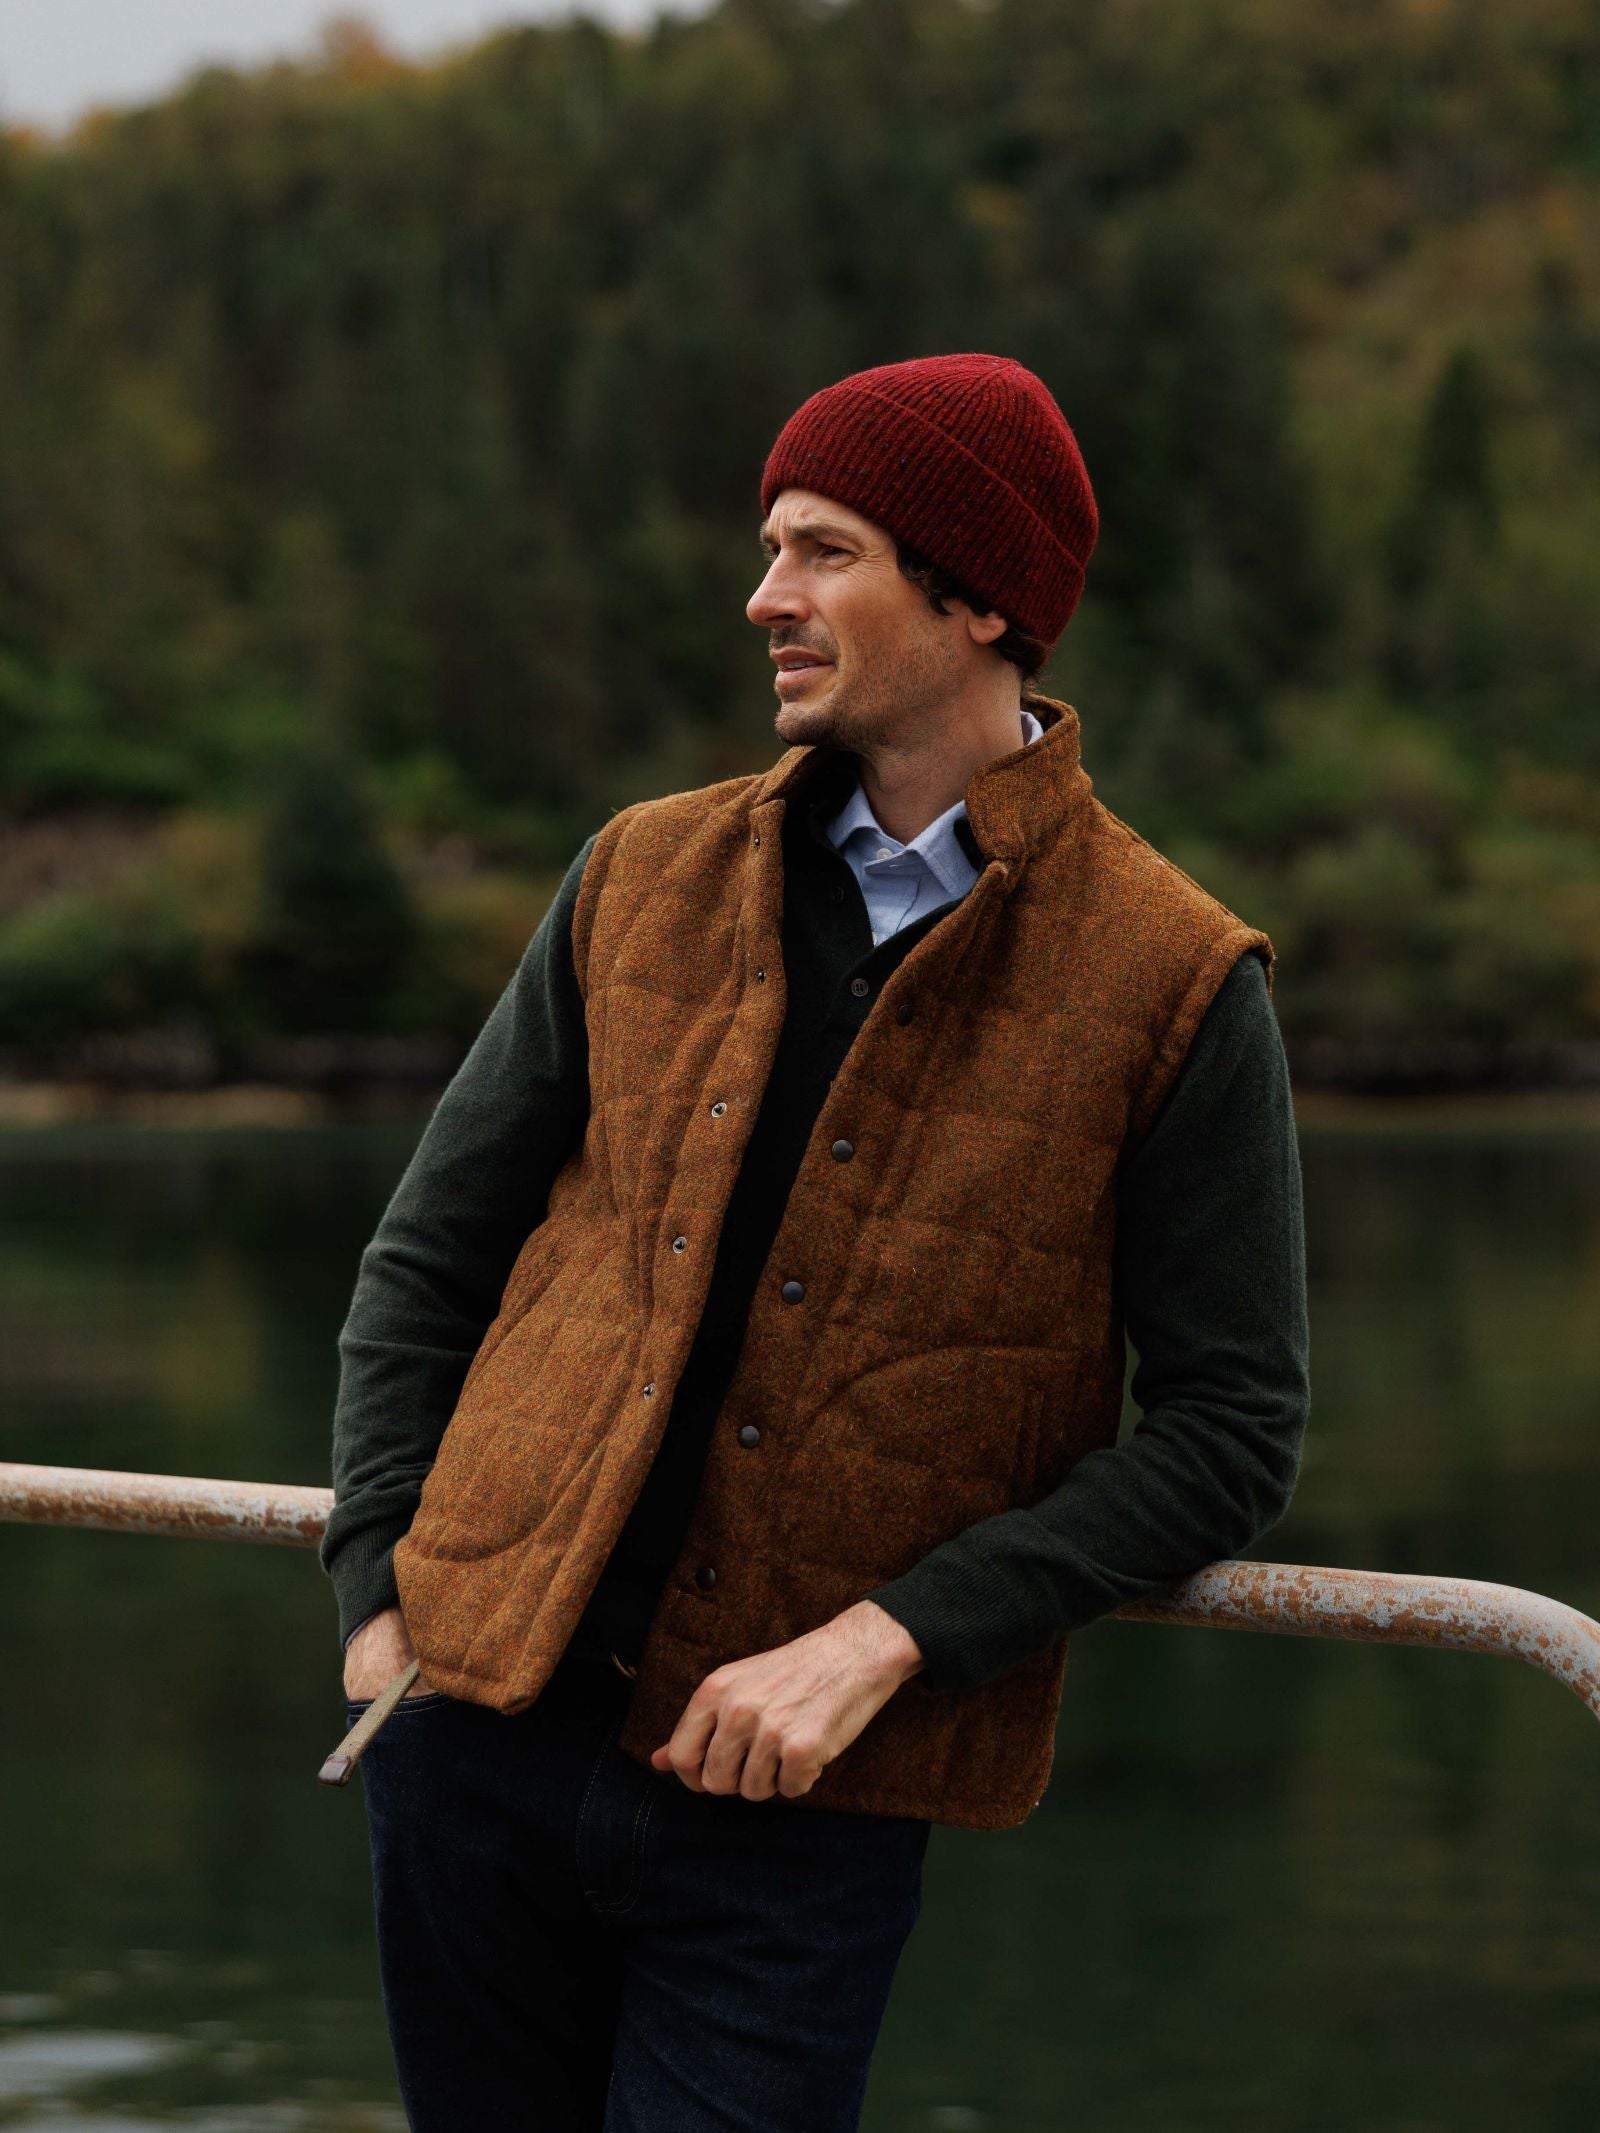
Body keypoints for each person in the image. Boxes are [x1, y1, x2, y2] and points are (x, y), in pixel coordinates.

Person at [321, 352, 1310, 2132]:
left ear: (978, 594)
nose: (764, 595)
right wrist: (379, 1602)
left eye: (821, 550)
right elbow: (427, 1261)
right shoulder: (640, 872)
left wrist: (892, 1637)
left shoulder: (1175, 976)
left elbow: (1233, 1431)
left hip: (799, 1820)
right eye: (770, 545)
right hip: (466, 1739)